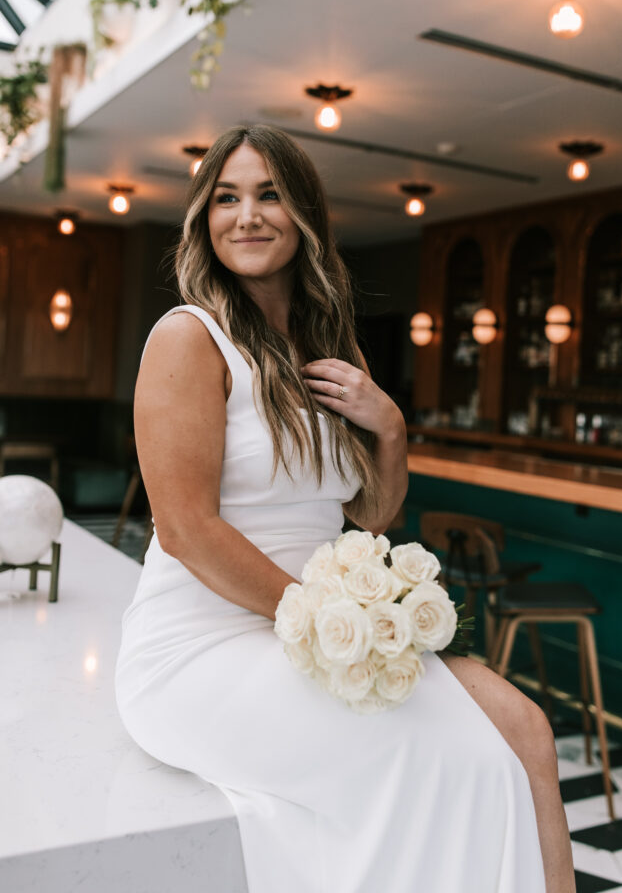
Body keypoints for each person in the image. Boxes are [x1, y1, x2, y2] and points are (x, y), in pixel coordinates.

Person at [115, 124, 574, 893]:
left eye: (269, 195)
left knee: (525, 728)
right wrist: (325, 623)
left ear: (303, 215)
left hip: (320, 633)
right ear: (204, 220)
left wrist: (389, 426)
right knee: (443, 758)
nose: (247, 216)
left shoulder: (332, 345)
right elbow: (186, 530)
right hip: (205, 647)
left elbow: (371, 515)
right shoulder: (187, 338)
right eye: (226, 198)